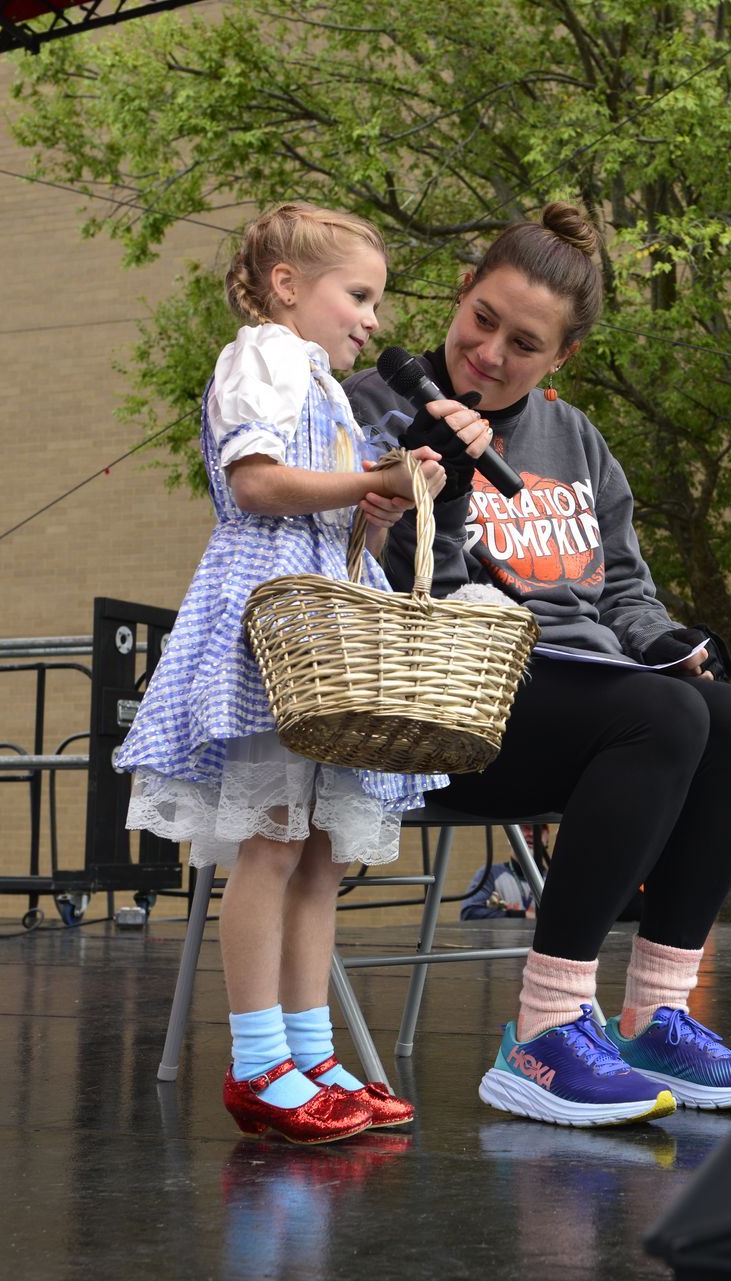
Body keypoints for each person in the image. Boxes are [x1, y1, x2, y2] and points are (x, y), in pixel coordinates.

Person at [345, 202, 731, 1127]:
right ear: (462, 292)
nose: (492, 354)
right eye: (484, 320)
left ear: (560, 360)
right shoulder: (374, 407)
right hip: (446, 698)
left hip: (585, 697)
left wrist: (666, 641)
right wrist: (442, 489)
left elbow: (623, 589)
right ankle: (546, 1032)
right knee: (666, 718)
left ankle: (657, 1012)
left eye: (525, 343)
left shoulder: (576, 439)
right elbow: (376, 576)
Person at [113, 202, 491, 1143]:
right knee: (274, 841)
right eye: (358, 294)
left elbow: (334, 509)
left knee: (318, 852)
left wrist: (383, 506)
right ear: (288, 285)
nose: (373, 319)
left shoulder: (319, 379)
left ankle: (308, 1048)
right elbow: (256, 484)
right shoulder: (265, 356)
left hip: (325, 617)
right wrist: (373, 481)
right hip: (273, 620)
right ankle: (256, 1064)